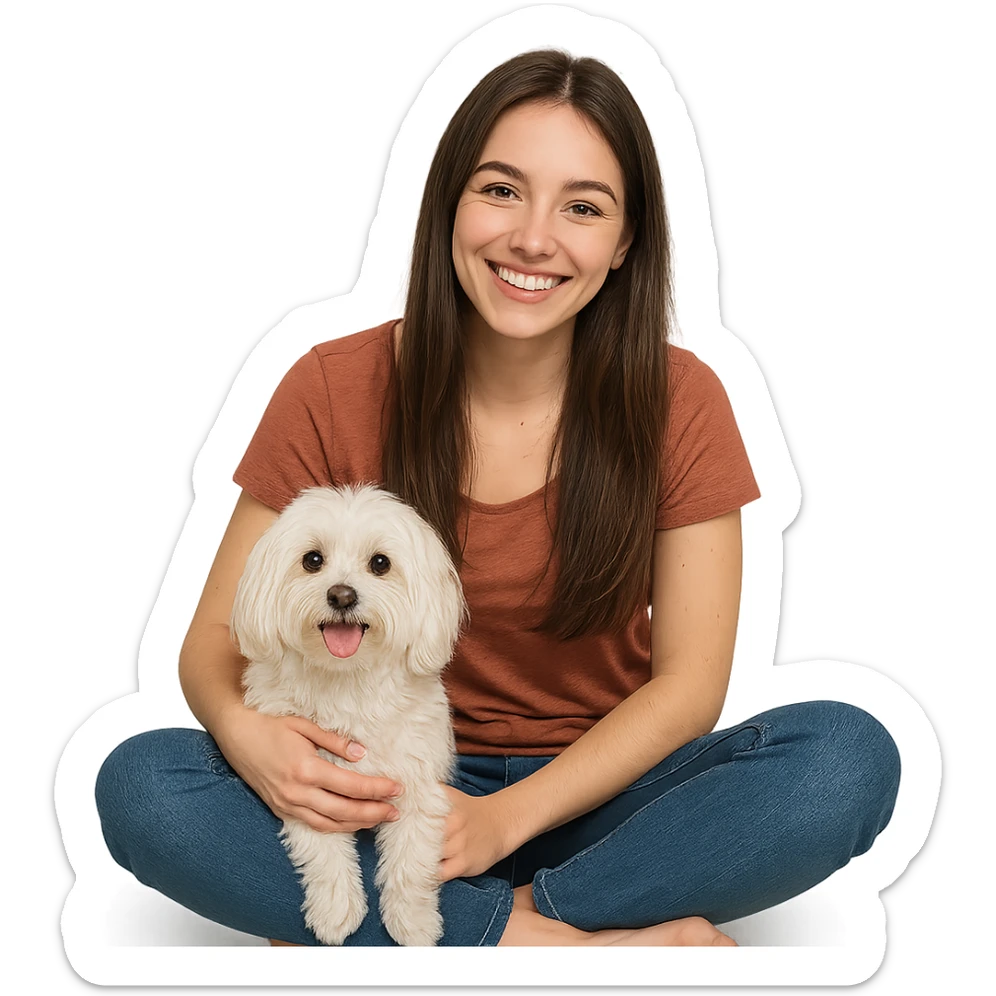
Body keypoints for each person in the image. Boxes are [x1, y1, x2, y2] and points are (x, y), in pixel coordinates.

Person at [94, 49, 900, 947]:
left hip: (600, 794)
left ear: (625, 242)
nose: (533, 240)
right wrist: (254, 744)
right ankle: (572, 946)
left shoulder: (685, 400)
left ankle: (470, 927)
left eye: (583, 207)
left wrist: (502, 821)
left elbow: (690, 687)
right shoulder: (330, 386)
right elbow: (211, 643)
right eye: (502, 190)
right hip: (367, 782)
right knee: (141, 784)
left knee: (844, 760)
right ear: (447, 203)